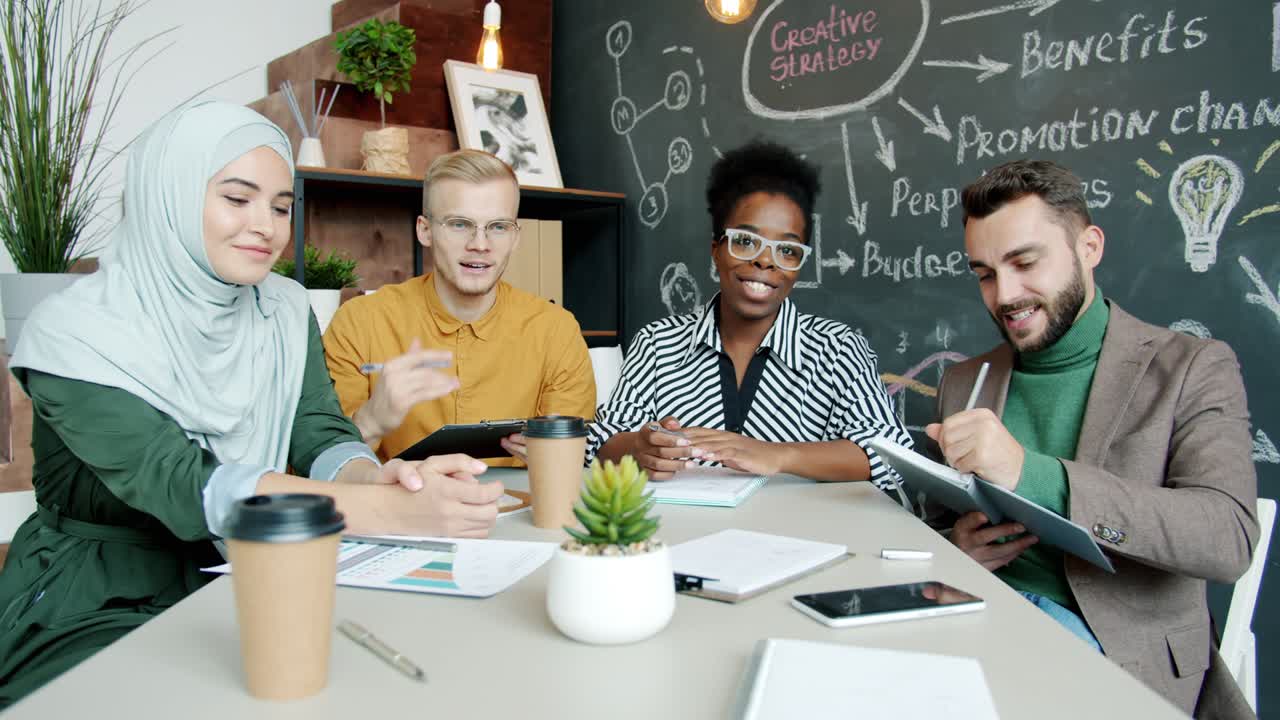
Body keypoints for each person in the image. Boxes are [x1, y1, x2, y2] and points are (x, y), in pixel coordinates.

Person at [0, 102, 504, 707]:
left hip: (249, 570)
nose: (266, 225)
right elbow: (185, 483)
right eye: (237, 199)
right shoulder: (76, 334)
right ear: (172, 197)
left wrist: (379, 478)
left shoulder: (284, 309)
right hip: (96, 596)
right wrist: (386, 512)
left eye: (281, 206)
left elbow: (316, 432)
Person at [927, 159, 1258, 718]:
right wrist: (957, 544)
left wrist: (1028, 474)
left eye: (1025, 262)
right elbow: (940, 523)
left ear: (1089, 246)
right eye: (985, 273)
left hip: (1114, 654)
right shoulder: (966, 380)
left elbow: (1227, 537)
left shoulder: (1192, 366)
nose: (1005, 295)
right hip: (974, 622)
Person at [589, 140, 911, 485]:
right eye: (745, 241)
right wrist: (640, 448)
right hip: (683, 532)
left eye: (787, 250)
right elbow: (602, 440)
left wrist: (779, 454)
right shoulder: (656, 343)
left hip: (802, 534)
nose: (764, 260)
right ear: (716, 249)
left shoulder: (840, 350)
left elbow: (890, 454)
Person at [323, 149, 595, 466]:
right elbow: (321, 463)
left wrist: (554, 454)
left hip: (517, 510)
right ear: (425, 230)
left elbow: (569, 460)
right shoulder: (359, 323)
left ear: (515, 237)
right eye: (460, 224)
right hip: (395, 508)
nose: (480, 244)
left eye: (498, 226)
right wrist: (372, 421)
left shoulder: (556, 330)